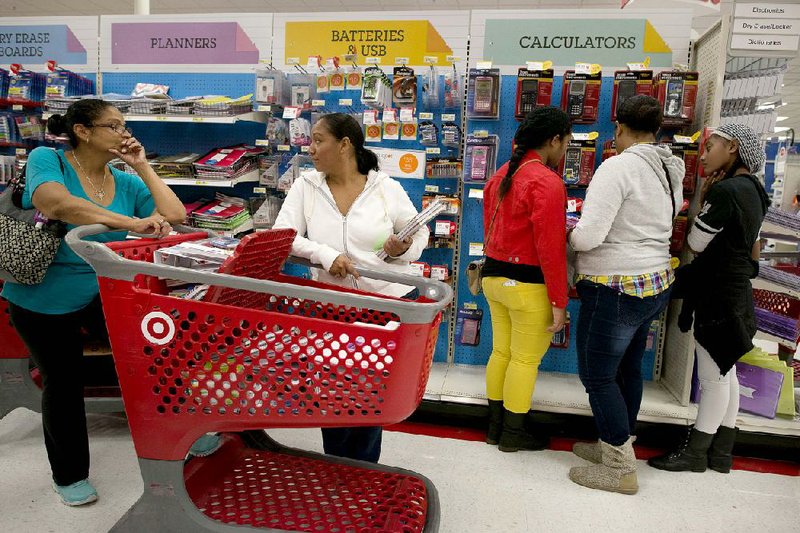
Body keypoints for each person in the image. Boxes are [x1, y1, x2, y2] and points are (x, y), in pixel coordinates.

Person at [1, 99, 185, 506]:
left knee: (156, 355)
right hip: (42, 294)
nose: (124, 134)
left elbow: (176, 213)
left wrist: (143, 166)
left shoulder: (123, 178)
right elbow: (55, 203)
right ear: (83, 130)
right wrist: (130, 223)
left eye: (124, 126)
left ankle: (188, 431)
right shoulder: (49, 159)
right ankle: (69, 477)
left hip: (104, 292)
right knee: (63, 382)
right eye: (114, 126)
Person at [272, 112, 429, 463]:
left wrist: (404, 247)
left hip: (383, 306)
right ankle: (339, 470)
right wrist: (324, 254)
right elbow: (284, 236)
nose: (309, 148)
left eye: (318, 140)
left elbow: (418, 231)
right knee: (331, 395)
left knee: (371, 396)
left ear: (345, 145)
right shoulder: (305, 186)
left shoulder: (384, 187)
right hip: (331, 307)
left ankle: (362, 473)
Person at [567, 95, 684, 494]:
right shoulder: (670, 167)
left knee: (597, 376)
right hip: (653, 283)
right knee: (627, 370)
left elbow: (589, 236)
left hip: (615, 286)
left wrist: (568, 235)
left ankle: (619, 467)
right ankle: (616, 444)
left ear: (618, 127)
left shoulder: (616, 167)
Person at [648, 124, 769, 474]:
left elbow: (696, 244)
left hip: (716, 296)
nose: (703, 154)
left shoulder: (727, 191)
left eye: (711, 146)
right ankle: (721, 452)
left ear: (732, 148)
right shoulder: (756, 191)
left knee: (713, 379)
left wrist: (702, 203)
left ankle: (696, 453)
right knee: (725, 372)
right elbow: (754, 248)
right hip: (737, 293)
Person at [481, 106, 571, 453]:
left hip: (494, 279)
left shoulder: (500, 175)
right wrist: (559, 302)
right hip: (528, 287)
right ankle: (514, 432)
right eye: (565, 142)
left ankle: (496, 427)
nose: (565, 151)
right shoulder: (547, 183)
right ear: (553, 140)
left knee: (501, 352)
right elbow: (551, 250)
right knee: (524, 360)